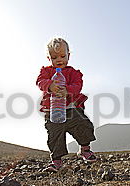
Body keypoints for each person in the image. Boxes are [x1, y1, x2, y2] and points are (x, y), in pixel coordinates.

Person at [36, 37, 97, 172]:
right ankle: (56, 161)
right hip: (53, 109)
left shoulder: (73, 73)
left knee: (83, 125)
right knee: (55, 134)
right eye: (54, 57)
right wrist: (50, 85)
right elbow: (40, 82)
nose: (59, 60)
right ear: (49, 58)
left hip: (72, 108)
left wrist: (67, 90)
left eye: (63, 56)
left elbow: (77, 86)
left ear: (69, 55)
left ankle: (85, 149)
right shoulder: (46, 72)